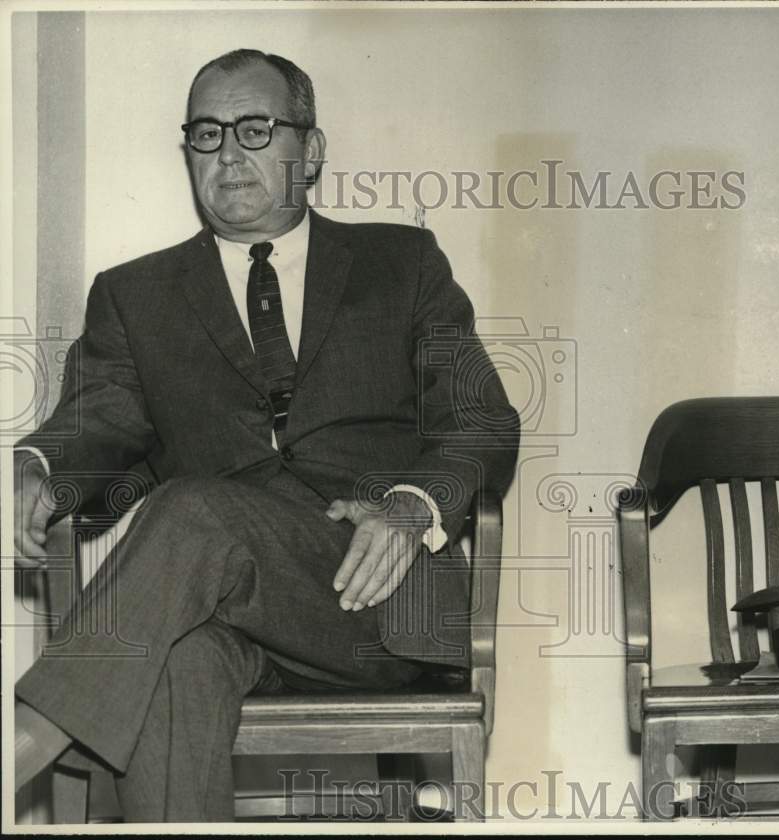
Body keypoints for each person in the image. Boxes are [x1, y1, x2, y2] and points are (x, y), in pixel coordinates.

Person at [12, 49, 519, 822]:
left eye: (255, 128)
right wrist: (38, 465)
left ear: (309, 151)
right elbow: (97, 422)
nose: (229, 154)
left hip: (376, 606)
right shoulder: (133, 295)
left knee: (190, 509)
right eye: (207, 135)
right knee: (173, 664)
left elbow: (481, 419)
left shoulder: (401, 264)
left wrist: (412, 508)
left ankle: (26, 742)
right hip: (219, 617)